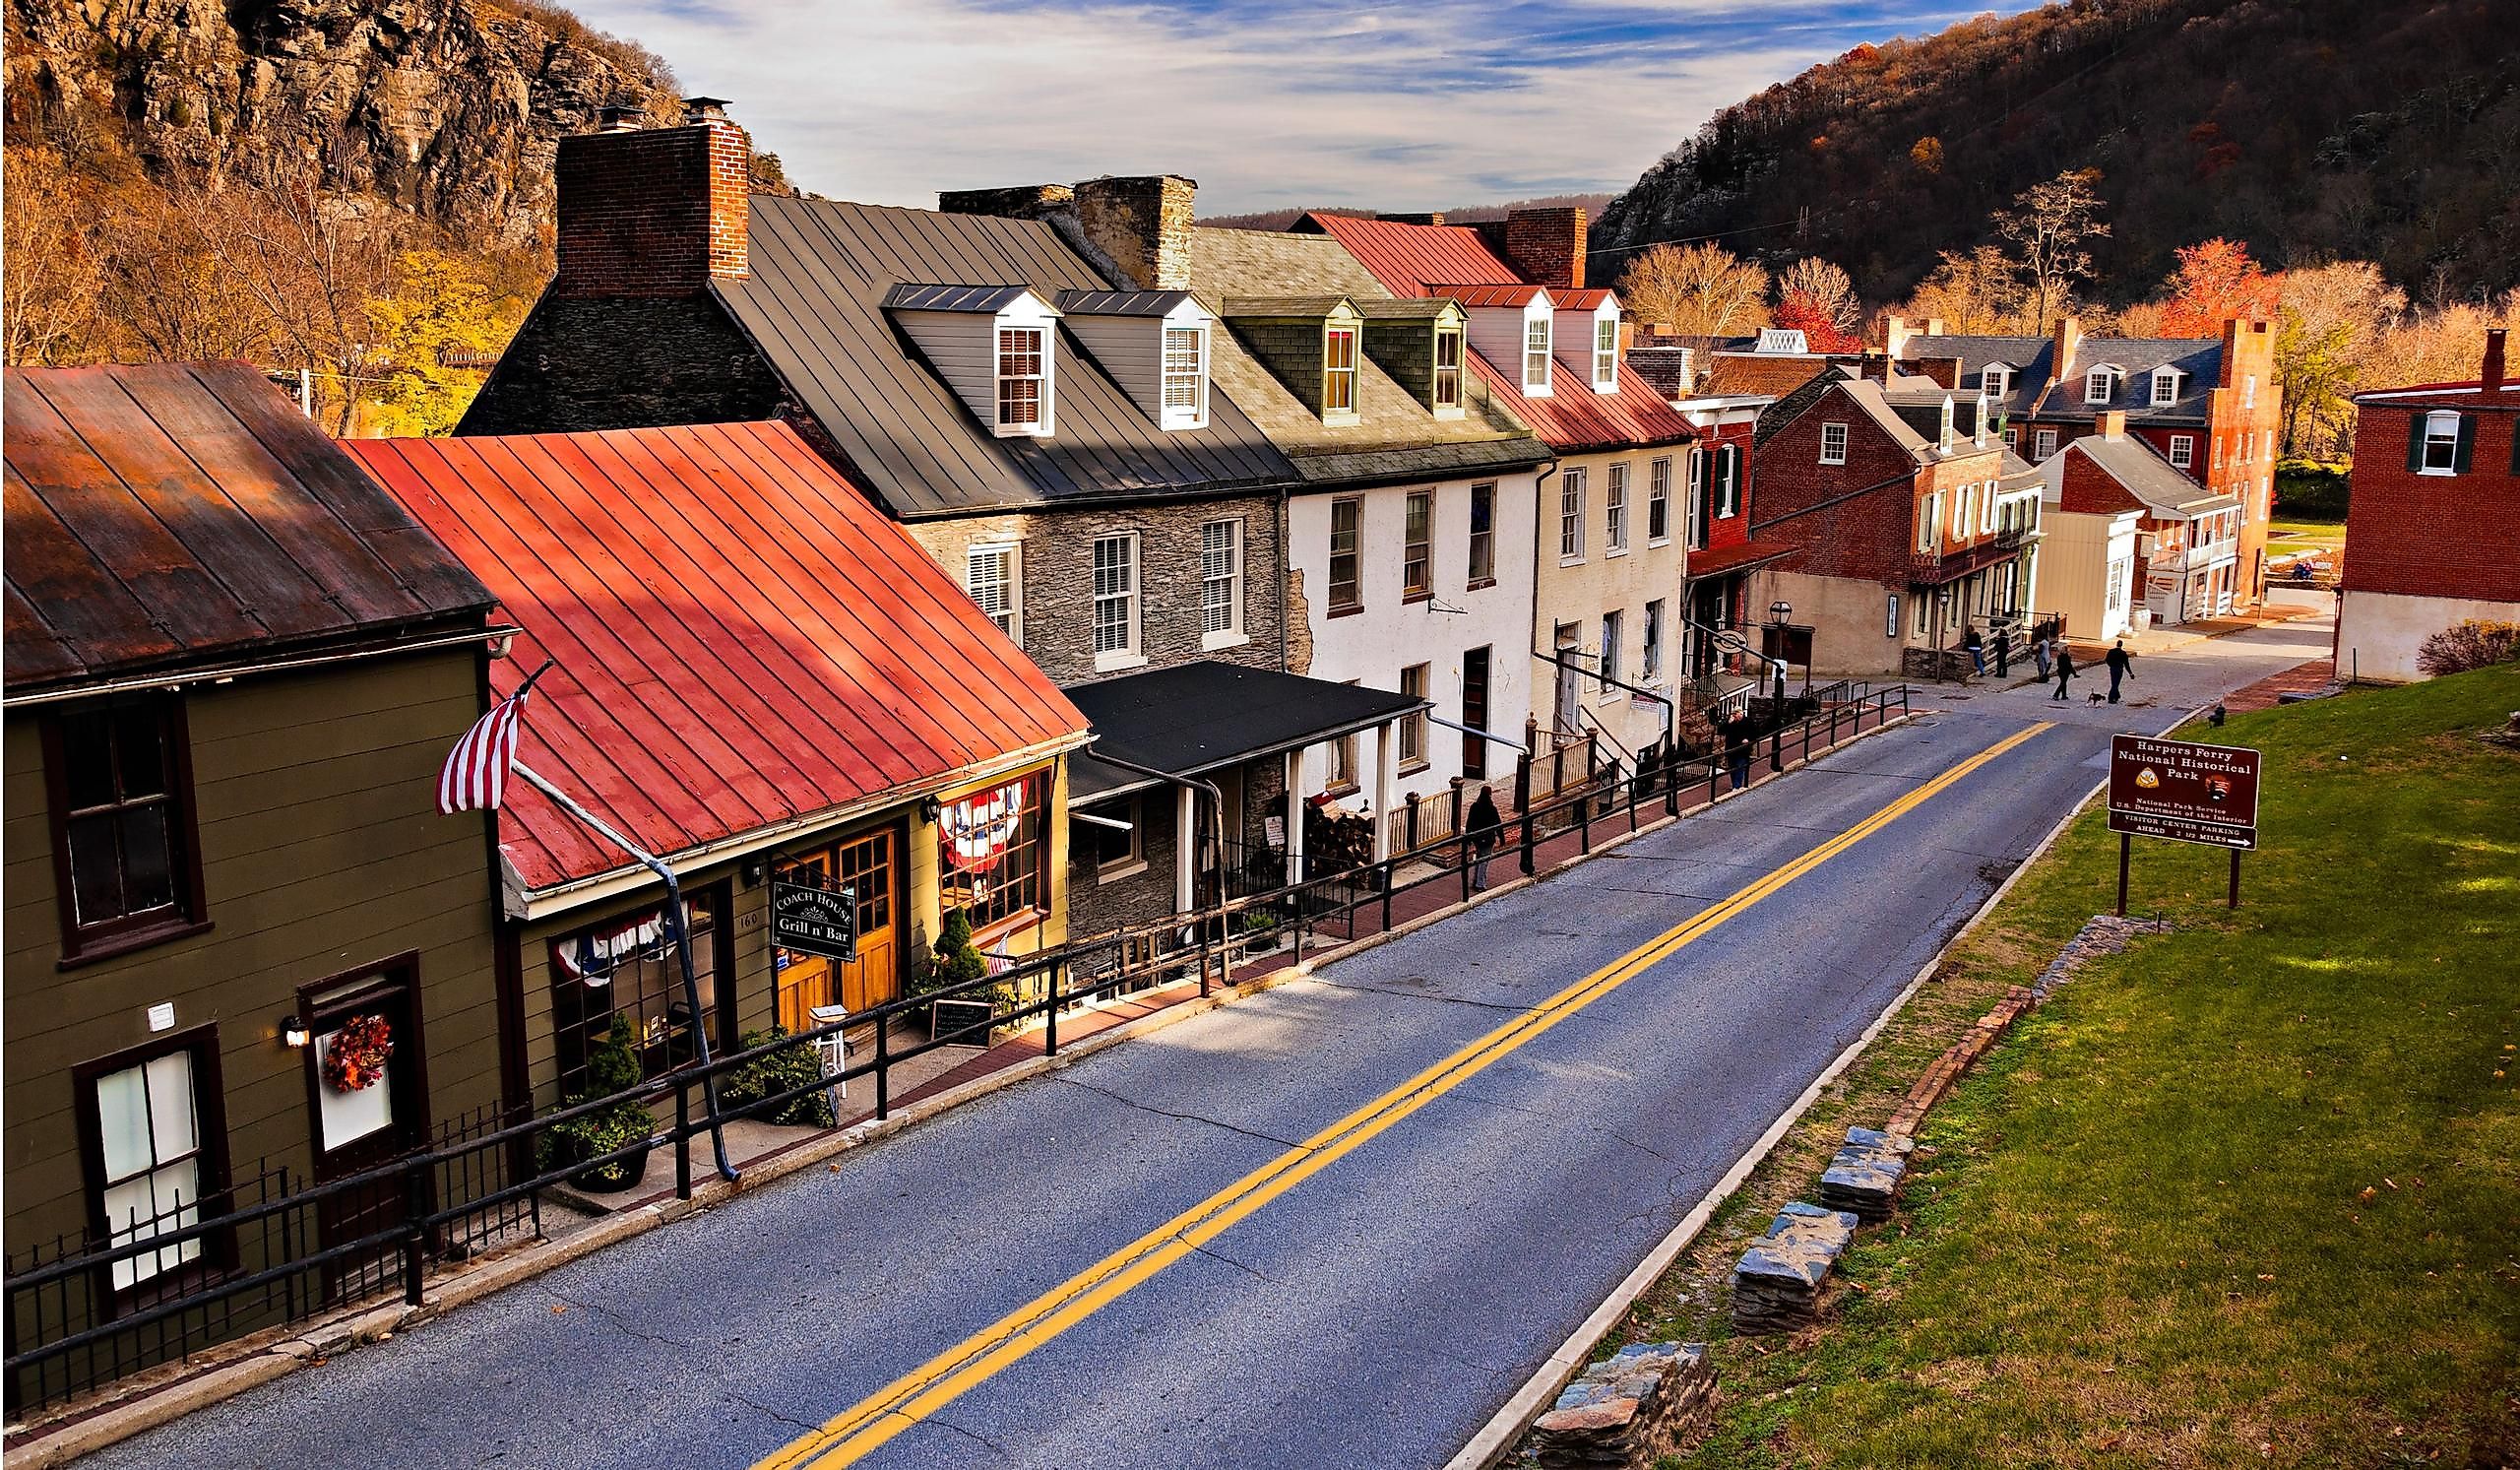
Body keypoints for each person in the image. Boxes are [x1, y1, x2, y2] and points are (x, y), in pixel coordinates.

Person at [1465, 785, 1502, 890]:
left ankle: (1476, 880)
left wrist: (1469, 837)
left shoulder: (1474, 807)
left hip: (1477, 838)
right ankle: (1480, 884)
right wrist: (1501, 838)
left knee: (1479, 858)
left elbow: (1469, 822)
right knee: (1484, 860)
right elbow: (1498, 824)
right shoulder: (1492, 809)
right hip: (1488, 838)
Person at [1724, 714, 1754, 792]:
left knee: (1740, 767)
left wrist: (1748, 739)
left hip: (1742, 750)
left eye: (1738, 713)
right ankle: (1734, 785)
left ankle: (1737, 786)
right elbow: (1720, 731)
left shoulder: (1748, 721)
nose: (1736, 716)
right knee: (1732, 768)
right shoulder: (1730, 722)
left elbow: (1755, 733)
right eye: (1734, 714)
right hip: (1731, 749)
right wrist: (1728, 723)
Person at [2105, 639, 2134, 704]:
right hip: (2119, 669)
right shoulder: (2123, 653)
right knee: (2116, 684)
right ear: (2122, 645)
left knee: (2114, 683)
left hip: (2112, 669)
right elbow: (2126, 664)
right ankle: (2111, 698)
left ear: (2116, 644)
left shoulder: (2111, 651)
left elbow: (2107, 660)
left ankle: (2117, 696)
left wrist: (2111, 665)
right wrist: (2130, 673)